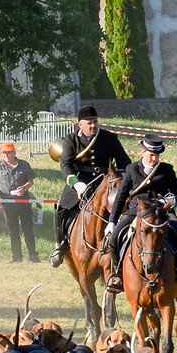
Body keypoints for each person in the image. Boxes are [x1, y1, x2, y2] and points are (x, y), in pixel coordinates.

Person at [105, 136, 177, 293]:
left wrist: (171, 200)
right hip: (137, 211)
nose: (154, 158)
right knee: (114, 239)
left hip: (161, 211)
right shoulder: (132, 169)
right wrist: (112, 221)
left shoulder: (166, 170)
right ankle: (117, 274)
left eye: (157, 155)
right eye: (150, 155)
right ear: (142, 152)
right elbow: (121, 197)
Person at [50, 105, 130, 266]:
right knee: (62, 209)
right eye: (89, 123)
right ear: (80, 124)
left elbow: (124, 161)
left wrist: (122, 178)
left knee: (125, 209)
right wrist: (75, 183)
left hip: (105, 182)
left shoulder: (110, 138)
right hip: (80, 182)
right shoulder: (71, 140)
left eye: (94, 122)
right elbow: (66, 165)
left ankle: (127, 246)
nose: (93, 125)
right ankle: (60, 245)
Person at [0, 141, 38, 263]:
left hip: (23, 202)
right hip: (8, 203)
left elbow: (31, 181)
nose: (6, 155)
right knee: (13, 231)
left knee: (28, 229)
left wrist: (24, 188)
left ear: (14, 153)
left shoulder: (24, 165)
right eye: (4, 153)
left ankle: (33, 256)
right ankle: (16, 257)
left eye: (8, 153)